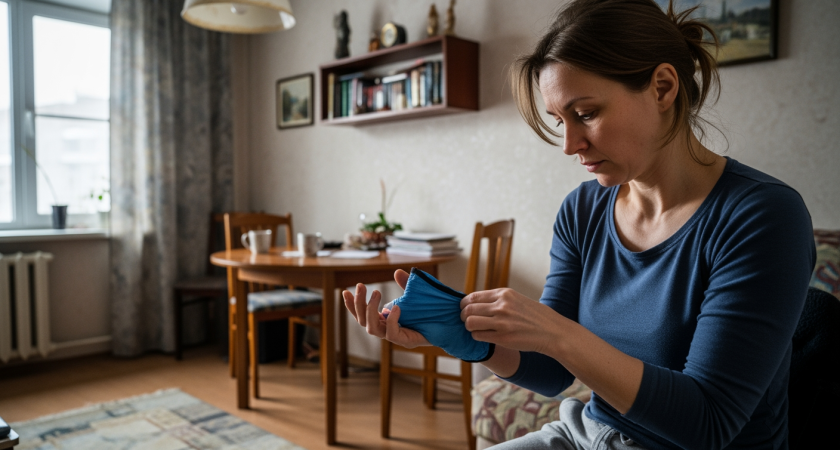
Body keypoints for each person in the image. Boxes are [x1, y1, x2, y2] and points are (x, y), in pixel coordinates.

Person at [343, 0, 815, 449]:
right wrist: (464, 338)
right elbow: (550, 372)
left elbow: (708, 423)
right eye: (558, 120)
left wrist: (557, 332)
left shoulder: (763, 217)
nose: (570, 144)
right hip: (587, 436)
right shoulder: (583, 210)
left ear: (663, 88)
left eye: (585, 114)